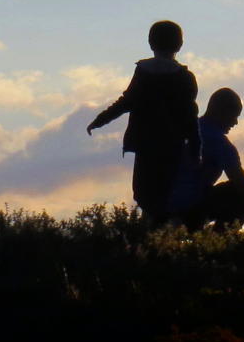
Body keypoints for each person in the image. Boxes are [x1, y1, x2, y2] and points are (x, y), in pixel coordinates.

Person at [86, 20, 200, 227]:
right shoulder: (185, 78)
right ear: (180, 45)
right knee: (164, 196)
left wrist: (100, 120)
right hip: (171, 147)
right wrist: (195, 149)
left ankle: (151, 238)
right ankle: (163, 239)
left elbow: (126, 102)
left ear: (150, 43)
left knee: (144, 195)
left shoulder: (143, 73)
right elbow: (191, 117)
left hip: (145, 145)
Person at [168, 88, 244, 232]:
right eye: (234, 116)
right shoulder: (219, 142)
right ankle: (217, 240)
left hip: (163, 203)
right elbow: (242, 183)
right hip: (187, 209)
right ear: (222, 112)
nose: (236, 122)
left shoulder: (188, 129)